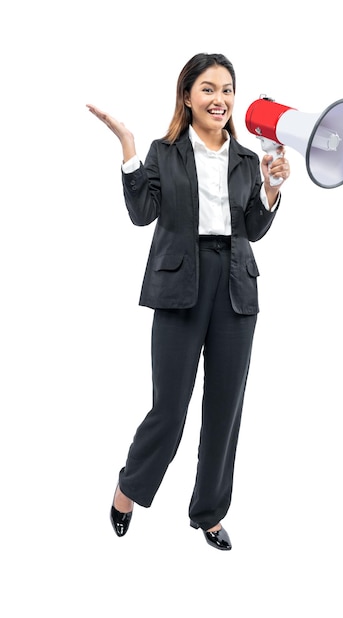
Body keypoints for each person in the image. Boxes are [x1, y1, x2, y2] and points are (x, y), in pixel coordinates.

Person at [87, 52, 290, 551]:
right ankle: (129, 488)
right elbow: (142, 213)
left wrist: (270, 189)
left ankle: (209, 511)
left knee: (225, 409)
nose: (219, 99)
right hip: (180, 285)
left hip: (236, 287)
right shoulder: (165, 151)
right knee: (170, 409)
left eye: (226, 89)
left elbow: (254, 231)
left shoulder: (247, 159)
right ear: (187, 97)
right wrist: (129, 147)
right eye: (208, 89)